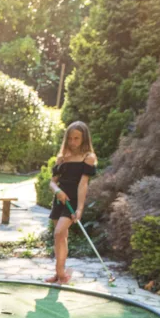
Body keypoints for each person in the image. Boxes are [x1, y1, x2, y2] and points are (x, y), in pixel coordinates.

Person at [47, 121, 98, 284]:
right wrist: (58, 191)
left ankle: (61, 273)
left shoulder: (88, 158)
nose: (73, 142)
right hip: (60, 199)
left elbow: (83, 184)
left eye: (77, 138)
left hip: (73, 200)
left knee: (59, 232)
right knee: (60, 238)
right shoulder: (61, 158)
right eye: (70, 139)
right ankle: (59, 272)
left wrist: (80, 209)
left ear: (84, 139)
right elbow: (52, 182)